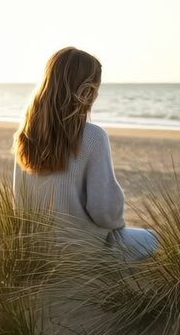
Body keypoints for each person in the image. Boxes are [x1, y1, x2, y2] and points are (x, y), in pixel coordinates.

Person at [12, 47, 125, 238]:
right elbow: (105, 213)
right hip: (81, 255)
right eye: (97, 88)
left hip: (33, 251)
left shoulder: (25, 135)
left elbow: (19, 204)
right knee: (151, 240)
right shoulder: (94, 137)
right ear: (87, 90)